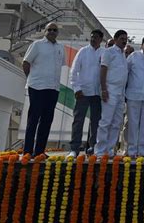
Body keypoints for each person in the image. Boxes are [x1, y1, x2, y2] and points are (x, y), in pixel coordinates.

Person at [22, 22, 64, 156]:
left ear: (57, 33)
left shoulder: (60, 47)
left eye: (55, 30)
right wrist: (31, 79)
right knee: (33, 119)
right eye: (49, 29)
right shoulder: (37, 45)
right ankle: (28, 151)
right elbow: (26, 62)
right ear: (45, 31)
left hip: (53, 88)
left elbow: (60, 66)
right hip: (37, 87)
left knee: (46, 121)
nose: (52, 32)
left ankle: (39, 151)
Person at [67, 29, 105, 158]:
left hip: (97, 94)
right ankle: (74, 149)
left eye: (96, 37)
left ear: (101, 39)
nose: (93, 39)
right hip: (83, 92)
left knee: (96, 122)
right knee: (78, 120)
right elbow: (74, 71)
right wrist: (76, 88)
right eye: (92, 37)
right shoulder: (83, 51)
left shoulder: (104, 53)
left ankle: (93, 147)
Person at [94, 30, 129, 157]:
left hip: (121, 93)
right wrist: (103, 89)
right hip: (109, 90)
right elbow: (103, 70)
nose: (124, 41)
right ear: (115, 39)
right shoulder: (108, 52)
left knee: (116, 123)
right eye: (121, 38)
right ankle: (100, 151)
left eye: (126, 39)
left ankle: (109, 151)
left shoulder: (123, 55)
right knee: (105, 122)